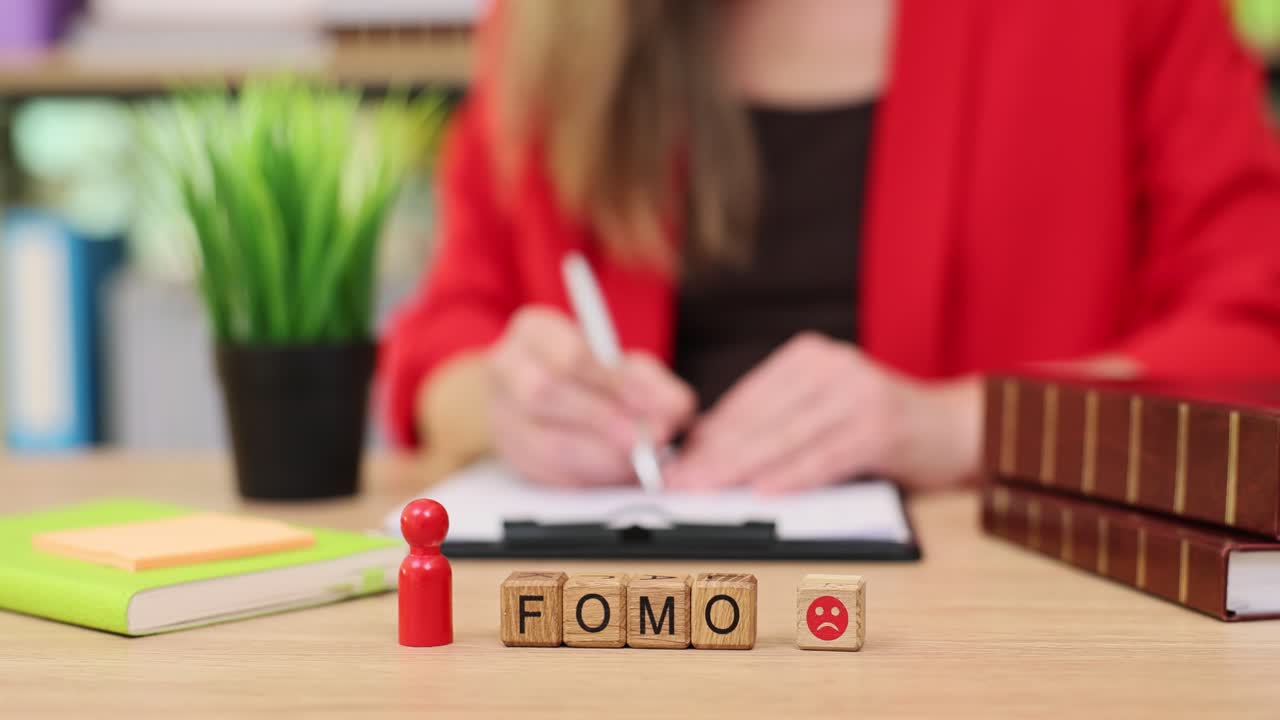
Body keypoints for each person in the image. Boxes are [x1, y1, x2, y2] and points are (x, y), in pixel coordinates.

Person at [381, 0, 1280, 492]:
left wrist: (957, 427)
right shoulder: (552, 26)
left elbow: (1252, 340)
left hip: (985, 630)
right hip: (625, 626)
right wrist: (513, 405)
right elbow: (448, 335)